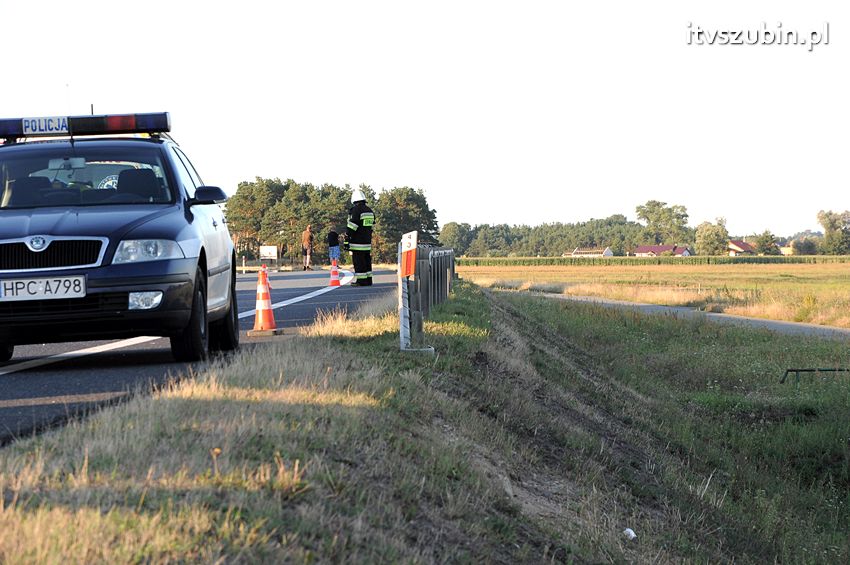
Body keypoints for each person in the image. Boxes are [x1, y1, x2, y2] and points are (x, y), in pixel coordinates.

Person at [345, 189, 375, 286]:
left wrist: (347, 235)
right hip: (367, 242)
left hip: (357, 242)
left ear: (354, 200)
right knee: (366, 260)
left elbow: (353, 225)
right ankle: (368, 280)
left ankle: (361, 281)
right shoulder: (369, 210)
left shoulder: (356, 210)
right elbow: (371, 226)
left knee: (358, 261)